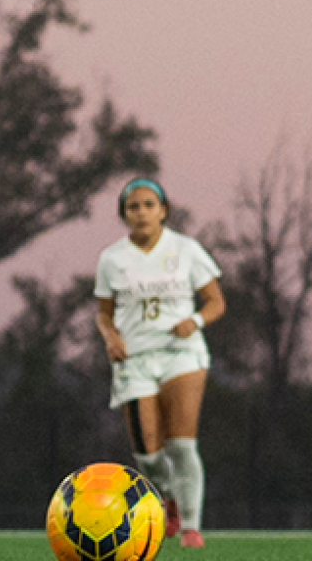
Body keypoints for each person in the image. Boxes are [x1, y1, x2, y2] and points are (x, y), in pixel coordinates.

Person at [94, 178, 225, 549]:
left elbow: (215, 301)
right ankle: (167, 497)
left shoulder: (186, 249)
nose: (141, 213)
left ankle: (191, 527)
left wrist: (195, 321)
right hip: (135, 359)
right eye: (133, 207)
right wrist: (111, 337)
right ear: (124, 214)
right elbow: (104, 313)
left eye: (149, 205)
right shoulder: (112, 258)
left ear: (163, 210)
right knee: (147, 456)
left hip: (181, 355)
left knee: (182, 445)